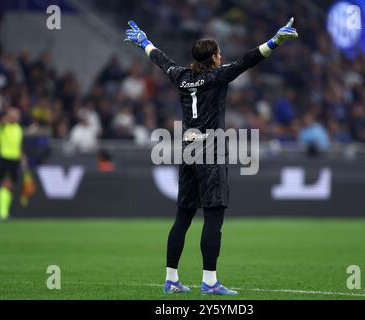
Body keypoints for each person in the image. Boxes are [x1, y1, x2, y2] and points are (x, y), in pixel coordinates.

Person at [125, 19, 298, 295]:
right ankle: (209, 282)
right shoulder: (218, 76)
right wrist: (275, 41)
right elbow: (248, 60)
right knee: (214, 216)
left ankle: (171, 279)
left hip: (187, 149)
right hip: (210, 149)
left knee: (183, 217)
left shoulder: (181, 76)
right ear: (214, 57)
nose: (222, 57)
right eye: (219, 53)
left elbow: (161, 59)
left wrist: (145, 42)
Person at [0, 108, 24, 220]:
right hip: (5, 159)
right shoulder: (2, 127)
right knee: (6, 184)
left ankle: (5, 212)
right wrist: (7, 117)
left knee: (10, 187)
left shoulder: (18, 129)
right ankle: (2, 213)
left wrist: (22, 157)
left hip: (15, 161)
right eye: (12, 115)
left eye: (17, 115)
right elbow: (1, 123)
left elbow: (18, 145)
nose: (15, 117)